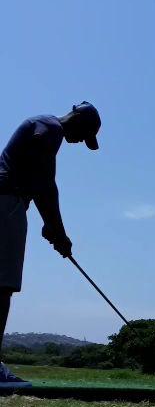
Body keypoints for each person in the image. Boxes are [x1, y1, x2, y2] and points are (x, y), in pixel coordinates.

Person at [0, 102, 101, 387]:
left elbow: (44, 184)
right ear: (78, 119)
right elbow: (46, 184)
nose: (82, 141)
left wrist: (53, 228)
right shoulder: (50, 128)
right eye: (85, 134)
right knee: (3, 286)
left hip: (9, 199)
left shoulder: (44, 128)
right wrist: (57, 231)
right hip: (7, 201)